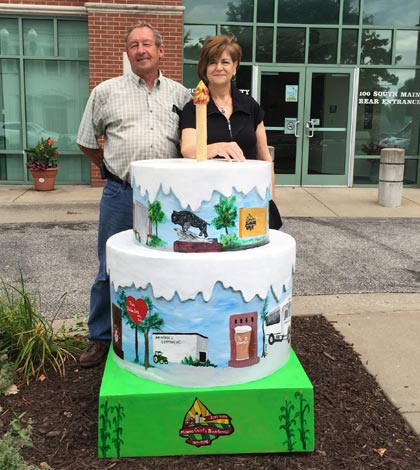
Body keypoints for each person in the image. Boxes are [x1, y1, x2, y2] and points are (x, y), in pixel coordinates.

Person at [77, 22, 191, 367]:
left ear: (160, 50)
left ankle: (165, 331)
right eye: (133, 46)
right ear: (127, 54)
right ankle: (99, 338)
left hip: (167, 202)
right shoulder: (105, 92)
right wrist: (110, 168)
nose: (140, 50)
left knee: (167, 267)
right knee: (108, 267)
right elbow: (85, 141)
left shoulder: (181, 95)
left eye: (146, 44)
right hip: (120, 194)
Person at [180, 35, 281, 229]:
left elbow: (266, 160)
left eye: (225, 62)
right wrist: (218, 147)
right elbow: (188, 149)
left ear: (235, 67)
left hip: (250, 200)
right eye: (212, 62)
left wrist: (271, 202)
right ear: (204, 68)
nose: (219, 67)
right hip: (210, 203)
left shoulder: (250, 106)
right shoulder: (193, 108)